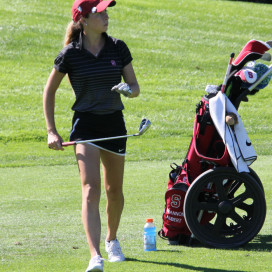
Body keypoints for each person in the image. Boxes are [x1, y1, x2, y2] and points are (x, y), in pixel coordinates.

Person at [43, 0, 140, 271]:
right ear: (83, 20)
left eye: (107, 11)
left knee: (114, 191)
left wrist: (128, 91)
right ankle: (95, 255)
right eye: (101, 13)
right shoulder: (70, 54)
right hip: (85, 127)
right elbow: (49, 92)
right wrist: (52, 131)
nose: (107, 16)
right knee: (91, 189)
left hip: (113, 125)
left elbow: (135, 87)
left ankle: (112, 240)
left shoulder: (118, 47)